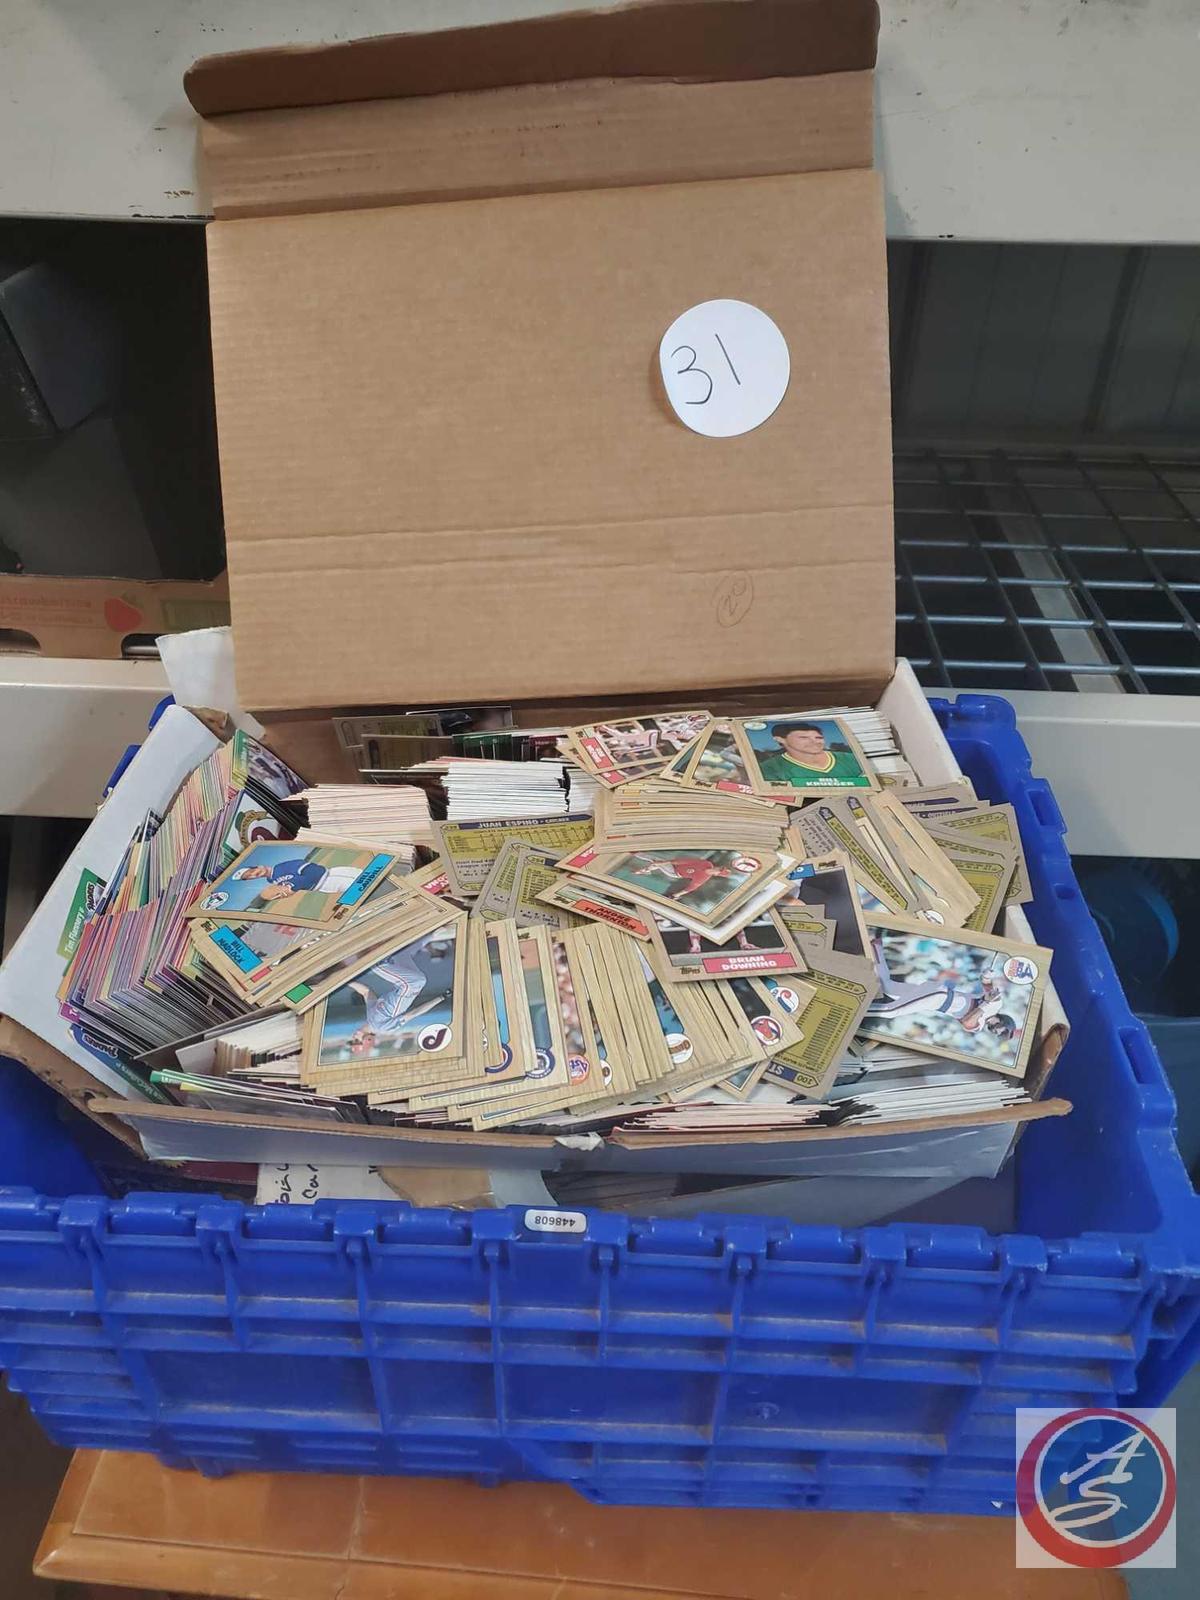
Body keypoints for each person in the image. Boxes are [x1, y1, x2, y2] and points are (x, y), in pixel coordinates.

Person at [868, 937, 1017, 1040]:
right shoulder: (997, 1004)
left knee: (887, 987)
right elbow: (986, 984)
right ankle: (858, 1010)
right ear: (1004, 1023)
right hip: (941, 996)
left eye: (1000, 1034)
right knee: (891, 1011)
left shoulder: (978, 1027)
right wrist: (987, 975)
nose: (998, 1033)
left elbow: (967, 1021)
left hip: (936, 1002)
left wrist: (985, 1004)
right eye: (1002, 1032)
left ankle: (876, 947)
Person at [344, 936, 456, 1055]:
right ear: (368, 1040)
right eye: (357, 1040)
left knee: (402, 952)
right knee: (374, 963)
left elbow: (366, 992)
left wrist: (346, 982)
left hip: (408, 983)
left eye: (353, 1039)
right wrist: (441, 997)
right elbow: (414, 1013)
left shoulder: (370, 1018)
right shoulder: (383, 1028)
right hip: (409, 985)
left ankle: (433, 933)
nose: (354, 1036)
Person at [754, 720, 866, 786]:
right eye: (803, 737)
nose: (814, 742)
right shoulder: (770, 768)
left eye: (819, 737)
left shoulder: (852, 759)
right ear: (780, 739)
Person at [230, 854, 363, 907]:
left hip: (330, 873)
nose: (254, 875)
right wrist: (288, 890)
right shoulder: (273, 882)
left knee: (364, 875)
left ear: (258, 867)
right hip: (324, 884)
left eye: (251, 872)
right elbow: (296, 885)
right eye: (250, 877)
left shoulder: (281, 867)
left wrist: (292, 886)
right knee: (360, 888)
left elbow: (311, 870)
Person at [629, 854, 741, 902]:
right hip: (676, 865)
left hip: (674, 872)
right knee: (657, 862)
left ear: (717, 874)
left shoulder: (703, 878)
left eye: (719, 871)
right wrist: (666, 862)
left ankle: (636, 856)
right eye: (720, 867)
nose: (718, 869)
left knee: (655, 860)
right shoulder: (706, 863)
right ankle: (645, 870)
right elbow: (686, 861)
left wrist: (676, 895)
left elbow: (690, 888)